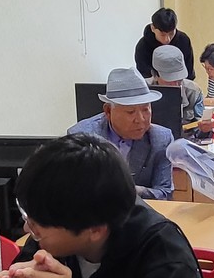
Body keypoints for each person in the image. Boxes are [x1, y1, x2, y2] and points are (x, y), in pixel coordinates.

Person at [0, 134, 214, 278]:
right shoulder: (50, 234)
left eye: (37, 226)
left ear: (95, 230)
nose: (28, 229)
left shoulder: (163, 252)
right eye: (28, 217)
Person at [68, 67, 173, 200]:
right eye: (130, 112)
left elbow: (165, 194)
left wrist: (132, 190)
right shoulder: (81, 137)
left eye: (145, 109)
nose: (140, 119)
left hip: (142, 210)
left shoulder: (161, 138)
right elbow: (74, 192)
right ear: (108, 111)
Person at [146, 45, 204, 125]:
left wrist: (205, 128)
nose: (176, 85)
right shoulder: (143, 92)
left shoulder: (193, 92)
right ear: (155, 75)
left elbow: (200, 125)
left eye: (179, 80)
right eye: (169, 80)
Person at [134, 8, 195, 81]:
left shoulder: (183, 41)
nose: (167, 39)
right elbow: (144, 76)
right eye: (162, 35)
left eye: (171, 34)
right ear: (153, 28)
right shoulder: (143, 46)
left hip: (180, 84)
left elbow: (189, 72)